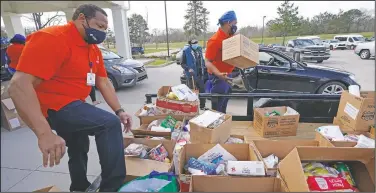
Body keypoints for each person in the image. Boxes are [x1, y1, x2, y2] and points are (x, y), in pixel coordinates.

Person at [8, 4, 132, 192]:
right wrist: (44, 133)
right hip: (50, 106)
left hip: (73, 104)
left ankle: (79, 186)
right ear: (82, 18)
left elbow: (104, 83)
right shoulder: (53, 38)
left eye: (105, 29)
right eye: (99, 26)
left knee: (79, 144)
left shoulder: (93, 50)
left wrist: (120, 110)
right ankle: (112, 187)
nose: (102, 32)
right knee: (109, 124)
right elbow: (17, 86)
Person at [205, 11, 237, 113]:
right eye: (234, 24)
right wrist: (219, 74)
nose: (235, 26)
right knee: (217, 108)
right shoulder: (214, 40)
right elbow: (207, 62)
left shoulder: (230, 36)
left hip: (228, 75)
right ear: (228, 23)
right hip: (218, 77)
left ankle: (223, 123)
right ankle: (217, 126)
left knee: (224, 103)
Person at [181, 39, 207, 110]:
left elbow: (202, 60)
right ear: (190, 44)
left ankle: (202, 106)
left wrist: (204, 68)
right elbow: (182, 63)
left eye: (197, 43)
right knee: (192, 92)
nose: (196, 44)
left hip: (200, 74)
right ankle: (193, 108)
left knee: (202, 91)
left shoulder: (199, 50)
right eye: (194, 43)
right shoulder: (186, 51)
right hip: (191, 75)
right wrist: (188, 68)